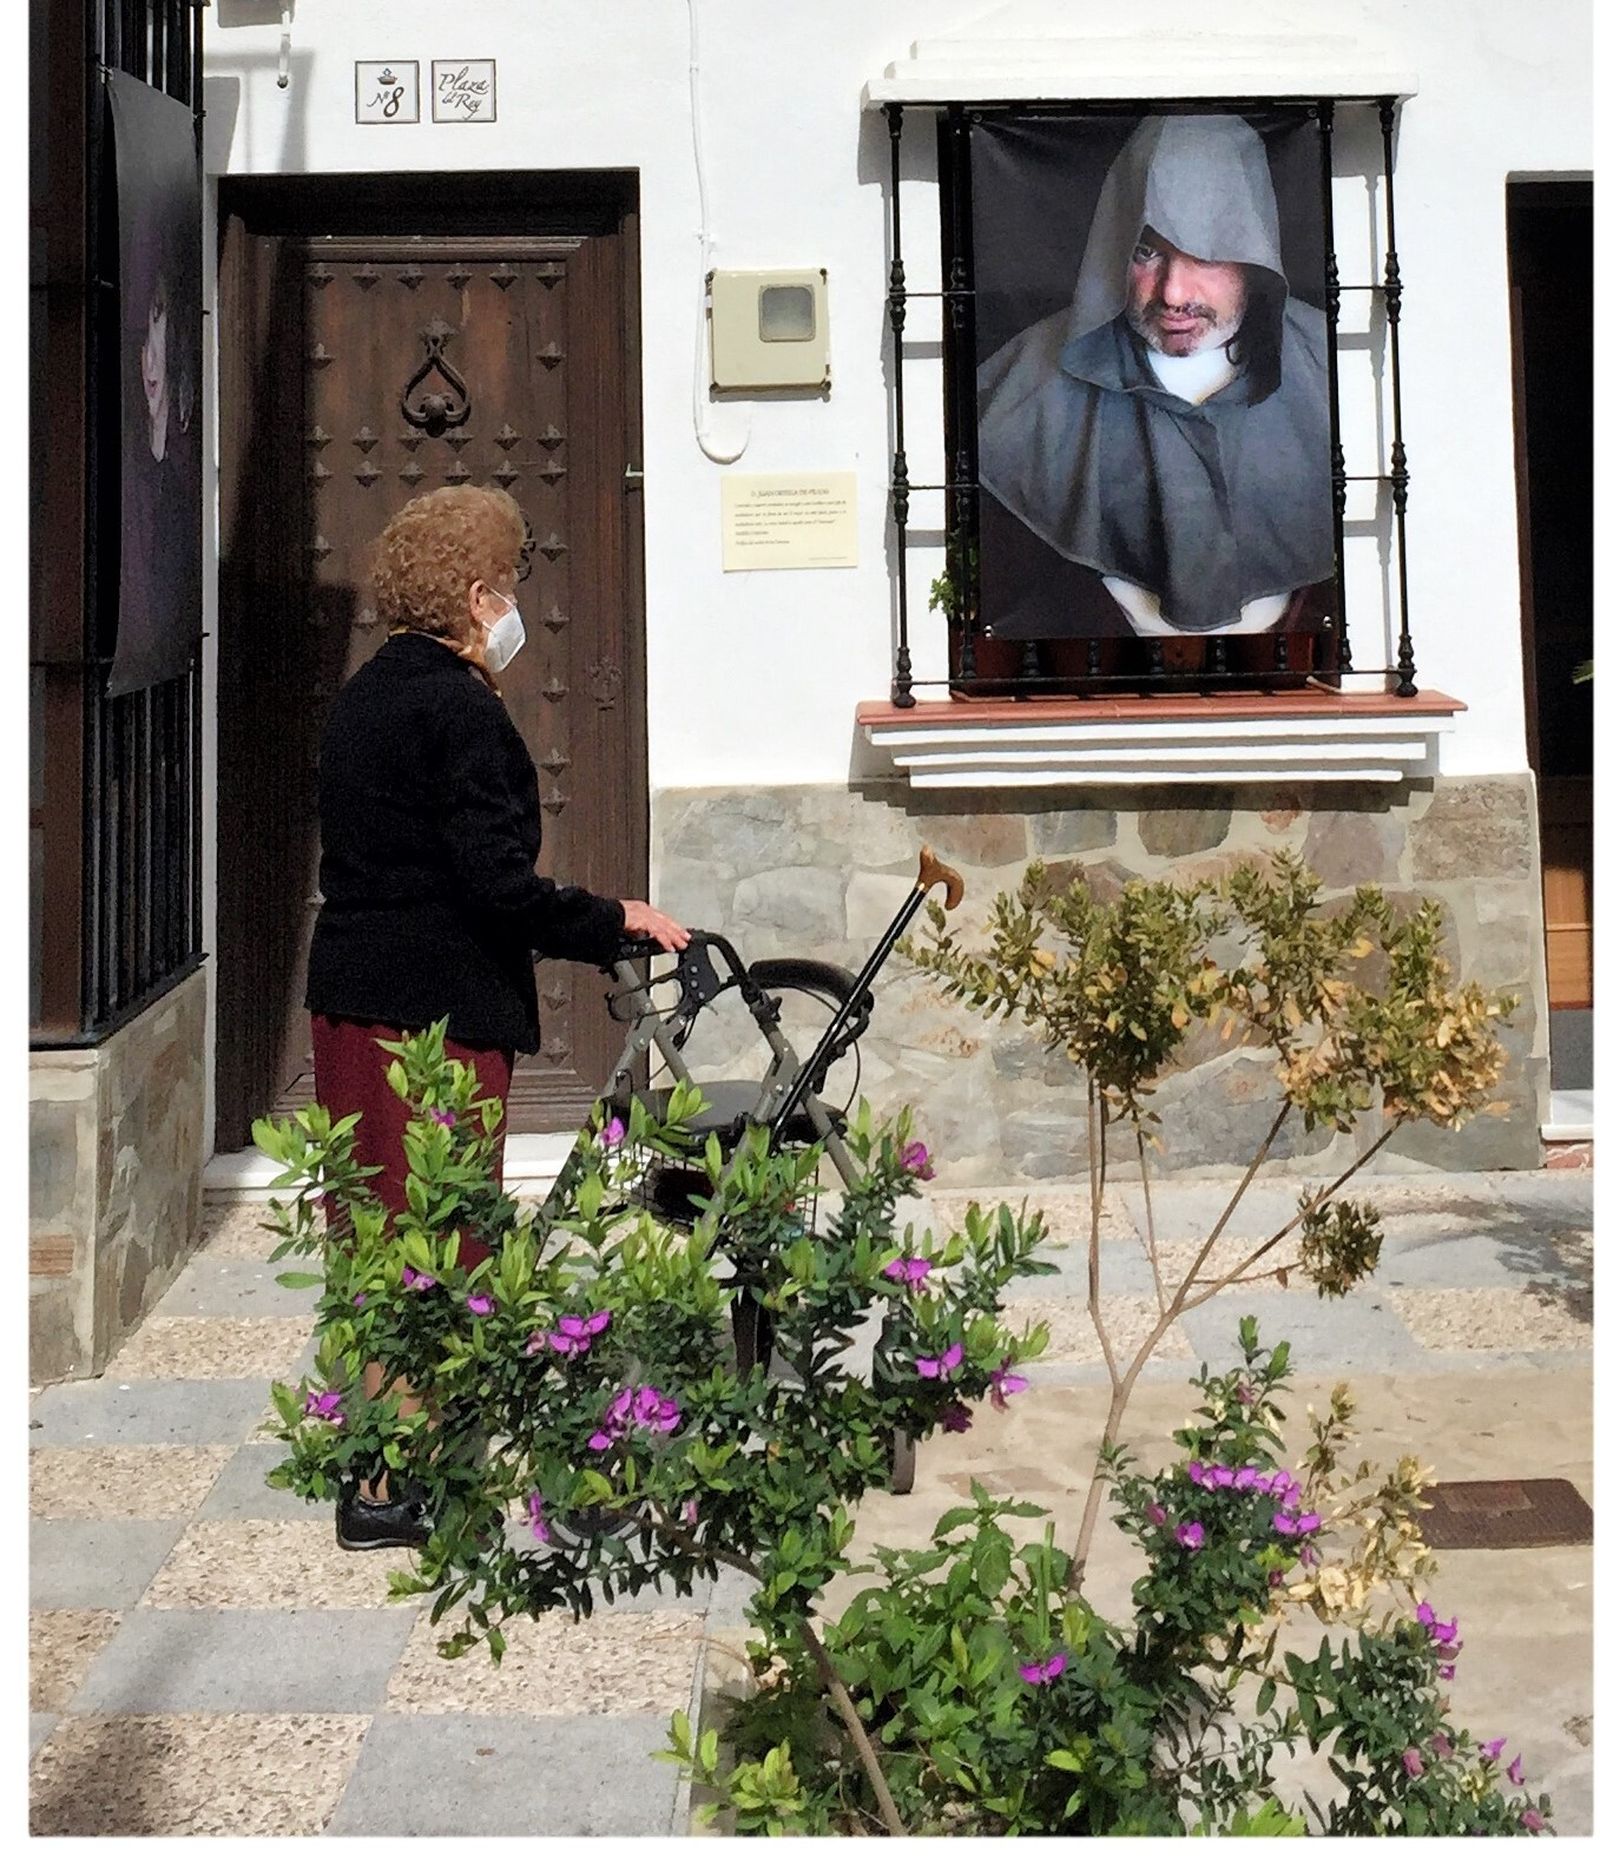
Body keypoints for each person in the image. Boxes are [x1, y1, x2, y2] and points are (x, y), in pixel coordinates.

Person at [305, 483, 690, 1551]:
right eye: (508, 585)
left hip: (351, 1000)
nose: (514, 606)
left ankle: (386, 1456)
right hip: (426, 1020)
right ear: (478, 595)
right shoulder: (459, 711)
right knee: (433, 1239)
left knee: (376, 1233)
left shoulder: (366, 695)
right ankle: (388, 1482)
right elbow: (494, 887)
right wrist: (614, 919)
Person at [976, 113, 1335, 641]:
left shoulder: (1332, 369)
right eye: (1148, 253)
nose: (1172, 294)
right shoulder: (1021, 384)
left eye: (1206, 257)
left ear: (1254, 255)